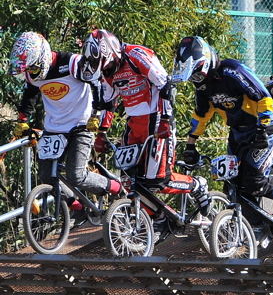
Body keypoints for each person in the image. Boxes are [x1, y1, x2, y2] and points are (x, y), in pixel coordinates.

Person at [173, 36, 273, 237]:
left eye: (196, 74)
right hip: (238, 132)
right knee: (233, 185)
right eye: (193, 77)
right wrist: (190, 145)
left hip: (262, 129)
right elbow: (201, 115)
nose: (196, 80)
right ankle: (257, 226)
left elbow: (262, 96)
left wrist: (263, 129)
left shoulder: (232, 70)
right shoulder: (203, 86)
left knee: (255, 181)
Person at [83, 29, 210, 218]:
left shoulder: (137, 55)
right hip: (134, 124)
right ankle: (154, 219)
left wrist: (165, 120)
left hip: (157, 120)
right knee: (128, 181)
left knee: (158, 180)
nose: (103, 68)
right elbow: (109, 102)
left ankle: (197, 185)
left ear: (111, 51)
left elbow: (166, 85)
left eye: (103, 62)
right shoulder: (107, 71)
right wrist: (102, 132)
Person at [9, 31, 123, 226]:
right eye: (29, 69)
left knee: (76, 175)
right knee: (47, 177)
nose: (33, 72)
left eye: (35, 67)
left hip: (81, 124)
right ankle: (78, 207)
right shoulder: (32, 74)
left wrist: (96, 115)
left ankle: (117, 188)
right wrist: (22, 121)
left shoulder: (72, 63)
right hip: (54, 128)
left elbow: (97, 84)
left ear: (43, 55)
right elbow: (29, 96)